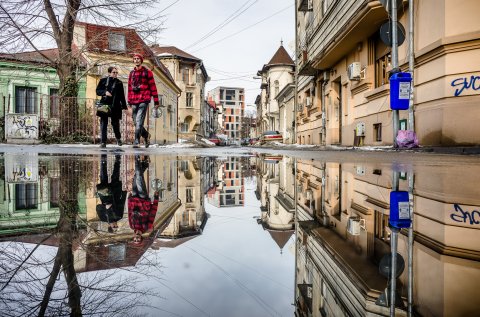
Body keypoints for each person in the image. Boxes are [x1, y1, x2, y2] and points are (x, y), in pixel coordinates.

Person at [127, 53, 160, 148]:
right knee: (135, 121)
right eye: (135, 59)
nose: (136, 60)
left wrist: (156, 101)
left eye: (138, 58)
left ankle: (136, 140)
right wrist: (129, 100)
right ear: (133, 61)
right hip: (133, 100)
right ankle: (146, 135)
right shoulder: (131, 73)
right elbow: (129, 88)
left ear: (141, 60)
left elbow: (153, 87)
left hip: (144, 100)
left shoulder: (147, 72)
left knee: (139, 120)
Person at [128, 155, 159, 243]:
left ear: (133, 237)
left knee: (135, 178)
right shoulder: (147, 227)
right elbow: (153, 211)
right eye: (138, 240)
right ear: (141, 238)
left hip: (134, 199)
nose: (136, 238)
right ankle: (136, 156)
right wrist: (156, 198)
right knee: (139, 177)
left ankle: (145, 164)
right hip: (143, 199)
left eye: (135, 239)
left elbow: (130, 212)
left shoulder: (132, 226)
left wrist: (129, 198)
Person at [96, 66, 127, 148]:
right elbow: (97, 91)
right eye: (114, 72)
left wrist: (124, 107)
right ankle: (103, 142)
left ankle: (118, 138)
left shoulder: (119, 83)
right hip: (105, 104)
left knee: (115, 124)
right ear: (109, 73)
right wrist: (104, 92)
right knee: (104, 123)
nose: (115, 74)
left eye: (116, 73)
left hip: (115, 106)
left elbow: (122, 96)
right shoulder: (103, 81)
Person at [96, 154, 127, 232]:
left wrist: (105, 207)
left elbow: (98, 207)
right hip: (116, 193)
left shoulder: (103, 218)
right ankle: (118, 158)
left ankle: (103, 158)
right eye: (117, 226)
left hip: (105, 195)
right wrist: (124, 193)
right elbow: (122, 204)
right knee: (116, 174)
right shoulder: (119, 216)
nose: (116, 225)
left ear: (109, 226)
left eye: (114, 227)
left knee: (103, 175)